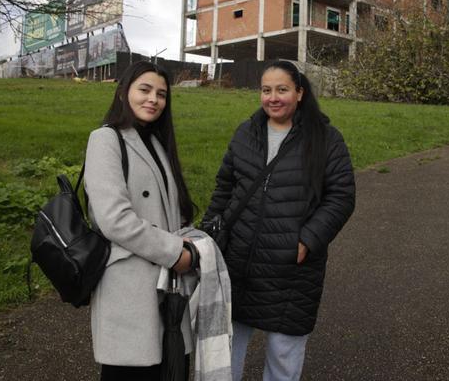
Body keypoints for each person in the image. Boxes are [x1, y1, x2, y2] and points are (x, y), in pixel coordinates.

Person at [203, 60, 356, 381]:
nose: (273, 98)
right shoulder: (246, 133)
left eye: (282, 90)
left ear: (300, 93)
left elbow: (341, 196)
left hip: (291, 269)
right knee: (224, 356)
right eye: (266, 90)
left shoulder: (326, 139)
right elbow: (224, 187)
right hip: (237, 261)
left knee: (283, 358)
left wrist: (307, 241)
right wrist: (208, 234)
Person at [84, 61, 199, 381]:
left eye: (161, 94)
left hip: (167, 287)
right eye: (145, 90)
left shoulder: (158, 143)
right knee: (132, 372)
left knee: (170, 369)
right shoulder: (105, 139)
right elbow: (114, 219)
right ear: (123, 92)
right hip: (130, 287)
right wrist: (175, 253)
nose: (154, 99)